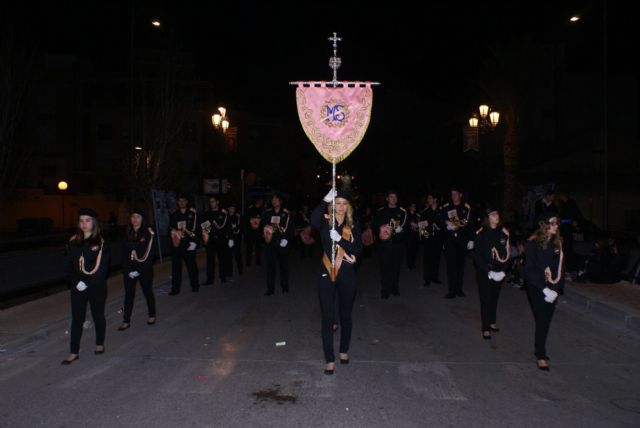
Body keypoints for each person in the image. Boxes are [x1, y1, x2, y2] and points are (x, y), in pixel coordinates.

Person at [311, 188, 362, 375]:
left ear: (348, 206)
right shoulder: (326, 222)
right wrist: (326, 199)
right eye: (337, 202)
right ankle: (329, 359)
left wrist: (340, 239)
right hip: (326, 271)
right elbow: (312, 220)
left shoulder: (353, 225)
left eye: (343, 203)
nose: (340, 207)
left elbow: (358, 250)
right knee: (327, 316)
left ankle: (343, 351)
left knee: (345, 315)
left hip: (347, 273)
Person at [61, 208, 110, 365]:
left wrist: (87, 283)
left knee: (98, 315)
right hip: (78, 287)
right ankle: (74, 351)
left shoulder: (101, 243)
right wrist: (76, 283)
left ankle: (99, 343)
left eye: (87, 220)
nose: (84, 224)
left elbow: (103, 269)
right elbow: (69, 266)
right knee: (77, 319)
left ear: (94, 223)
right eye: (81, 220)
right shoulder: (73, 241)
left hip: (96, 286)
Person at [525, 211, 565, 371]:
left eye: (557, 223)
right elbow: (529, 271)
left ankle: (540, 347)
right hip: (537, 287)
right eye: (553, 222)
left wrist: (556, 289)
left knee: (546, 320)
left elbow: (561, 268)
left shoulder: (557, 244)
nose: (556, 226)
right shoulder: (532, 243)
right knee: (542, 319)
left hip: (552, 288)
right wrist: (544, 290)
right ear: (545, 225)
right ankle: (540, 354)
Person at [473, 208, 509, 339]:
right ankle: (485, 327)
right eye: (493, 214)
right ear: (488, 218)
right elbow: (477, 256)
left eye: (497, 213)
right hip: (485, 271)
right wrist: (488, 271)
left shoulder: (503, 233)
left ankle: (492, 321)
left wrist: (504, 270)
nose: (497, 215)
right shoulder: (481, 233)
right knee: (486, 298)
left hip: (499, 271)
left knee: (494, 297)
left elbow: (507, 253)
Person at [118, 209, 156, 331]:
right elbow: (123, 253)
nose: (135, 219)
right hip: (129, 269)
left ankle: (152, 314)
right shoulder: (126, 232)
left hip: (144, 268)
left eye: (138, 217)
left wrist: (139, 269)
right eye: (133, 216)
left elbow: (150, 254)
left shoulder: (148, 233)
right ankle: (126, 320)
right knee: (129, 295)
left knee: (147, 292)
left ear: (142, 219)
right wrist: (128, 270)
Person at [373, 190, 407, 299]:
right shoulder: (380, 211)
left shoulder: (402, 212)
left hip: (397, 245)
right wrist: (381, 228)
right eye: (391, 197)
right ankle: (385, 290)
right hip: (384, 245)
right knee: (385, 268)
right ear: (387, 198)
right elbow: (374, 227)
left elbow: (407, 229)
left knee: (396, 268)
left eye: (395, 197)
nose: (393, 199)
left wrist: (401, 230)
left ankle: (394, 288)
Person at [441, 186, 473, 298]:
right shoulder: (446, 207)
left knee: (460, 266)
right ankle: (451, 291)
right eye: (452, 194)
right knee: (451, 267)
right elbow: (441, 220)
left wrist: (471, 239)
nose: (453, 196)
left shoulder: (466, 207)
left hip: (461, 240)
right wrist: (446, 225)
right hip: (450, 240)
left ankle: (459, 289)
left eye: (455, 194)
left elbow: (469, 224)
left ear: (460, 195)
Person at [261, 193, 294, 295]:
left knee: (283, 266)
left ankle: (284, 286)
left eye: (276, 200)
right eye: (273, 200)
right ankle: (270, 289)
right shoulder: (268, 213)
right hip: (270, 244)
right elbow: (263, 226)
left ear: (280, 201)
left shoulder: (286, 213)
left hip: (282, 243)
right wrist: (265, 236)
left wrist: (287, 239)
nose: (274, 201)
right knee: (270, 267)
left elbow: (291, 228)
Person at [168, 194, 200, 295]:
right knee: (176, 268)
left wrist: (195, 242)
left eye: (183, 200)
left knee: (191, 267)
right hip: (177, 245)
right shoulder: (174, 215)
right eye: (179, 201)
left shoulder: (193, 214)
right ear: (178, 203)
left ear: (186, 202)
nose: (181, 202)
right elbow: (170, 228)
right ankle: (175, 289)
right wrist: (173, 231)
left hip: (189, 244)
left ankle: (195, 286)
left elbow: (198, 229)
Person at [201, 195, 229, 285]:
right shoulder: (207, 214)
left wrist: (229, 238)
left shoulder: (223, 213)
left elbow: (226, 227)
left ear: (217, 202)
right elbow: (205, 227)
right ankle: (210, 279)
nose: (211, 203)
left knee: (222, 259)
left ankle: (223, 277)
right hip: (211, 241)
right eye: (210, 202)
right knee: (210, 261)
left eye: (213, 201)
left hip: (221, 240)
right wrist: (207, 236)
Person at [419, 193, 443, 286]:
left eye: (430, 198)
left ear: (435, 199)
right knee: (428, 259)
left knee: (436, 259)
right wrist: (426, 237)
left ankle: (435, 277)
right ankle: (427, 279)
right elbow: (421, 226)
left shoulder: (441, 211)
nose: (428, 200)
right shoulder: (425, 212)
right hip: (428, 239)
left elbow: (445, 224)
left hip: (438, 239)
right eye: (428, 198)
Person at [226, 203, 244, 278]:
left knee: (237, 256)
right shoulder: (226, 217)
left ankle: (240, 270)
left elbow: (239, 228)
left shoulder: (237, 217)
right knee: (228, 257)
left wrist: (238, 230)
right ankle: (229, 272)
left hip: (236, 239)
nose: (232, 209)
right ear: (228, 209)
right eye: (231, 208)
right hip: (228, 239)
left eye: (234, 208)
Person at [245, 198, 264, 266]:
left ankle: (258, 261)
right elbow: (246, 219)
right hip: (250, 231)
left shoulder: (261, 209)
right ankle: (248, 262)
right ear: (258, 201)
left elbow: (262, 221)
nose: (261, 203)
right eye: (260, 201)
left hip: (258, 232)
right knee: (249, 247)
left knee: (258, 247)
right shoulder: (250, 208)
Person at [405, 202, 420, 270]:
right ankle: (409, 264)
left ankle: (413, 263)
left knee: (415, 250)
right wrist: (410, 224)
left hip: (416, 235)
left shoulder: (417, 215)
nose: (414, 207)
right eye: (412, 206)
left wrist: (418, 226)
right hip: (408, 235)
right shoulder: (407, 215)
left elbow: (420, 223)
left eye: (415, 206)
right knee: (409, 250)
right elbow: (404, 225)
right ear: (410, 207)